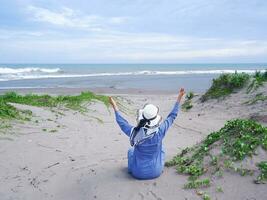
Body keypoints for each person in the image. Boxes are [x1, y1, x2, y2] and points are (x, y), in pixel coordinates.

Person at [109, 88, 185, 180]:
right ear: (155, 119)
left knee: (131, 151)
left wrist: (115, 107)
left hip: (138, 173)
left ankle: (130, 169)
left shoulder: (135, 132)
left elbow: (121, 122)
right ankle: (155, 166)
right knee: (162, 149)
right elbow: (172, 116)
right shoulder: (160, 131)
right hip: (156, 172)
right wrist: (179, 98)